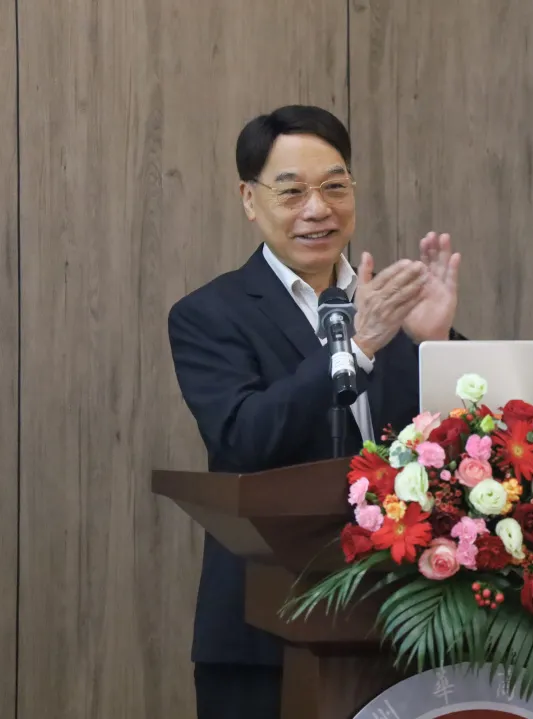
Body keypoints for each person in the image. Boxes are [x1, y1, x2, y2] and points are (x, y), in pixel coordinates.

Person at [167, 104, 463, 718]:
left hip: (406, 621)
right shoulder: (209, 314)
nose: (317, 209)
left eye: (334, 187)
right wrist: (355, 349)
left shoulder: (393, 304)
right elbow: (243, 439)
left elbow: (464, 449)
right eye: (292, 191)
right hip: (265, 630)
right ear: (249, 200)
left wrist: (434, 343)